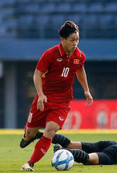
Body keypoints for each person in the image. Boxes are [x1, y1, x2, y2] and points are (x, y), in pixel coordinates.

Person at [20, 21, 93, 171]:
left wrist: (86, 89)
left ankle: (30, 163)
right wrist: (40, 95)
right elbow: (37, 74)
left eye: (77, 40)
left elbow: (80, 70)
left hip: (62, 101)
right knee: (30, 133)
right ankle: (30, 135)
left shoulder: (80, 56)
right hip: (44, 99)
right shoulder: (50, 54)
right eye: (72, 40)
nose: (75, 43)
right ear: (63, 39)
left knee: (50, 130)